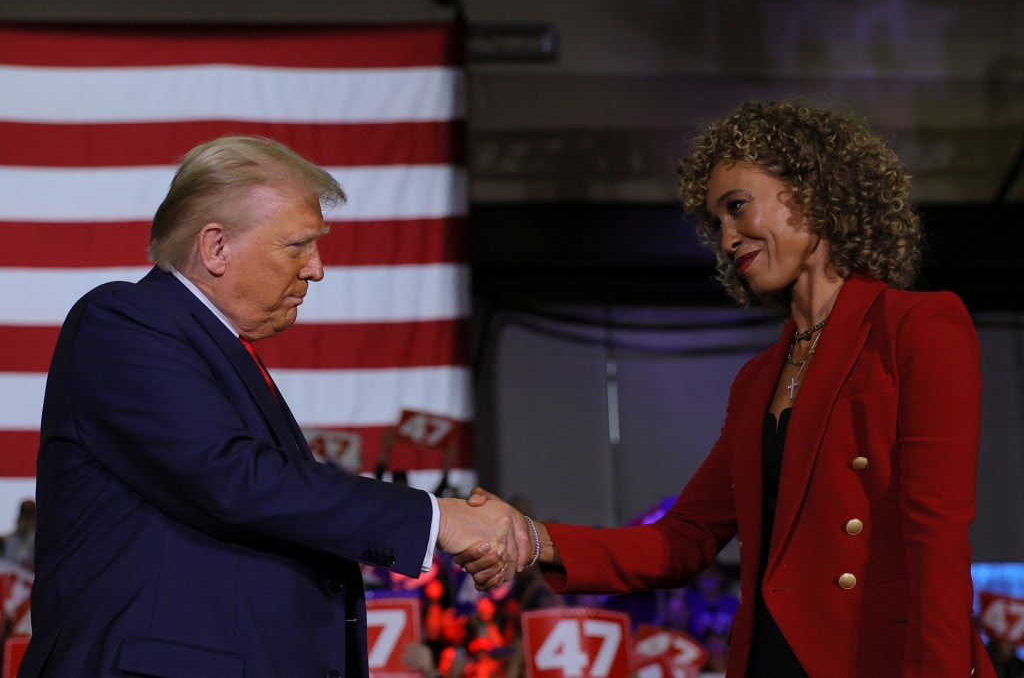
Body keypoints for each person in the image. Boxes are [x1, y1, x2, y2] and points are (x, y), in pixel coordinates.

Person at [461, 101, 996, 677]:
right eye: (716, 223)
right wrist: (532, 537)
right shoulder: (757, 379)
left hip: (876, 660)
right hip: (766, 659)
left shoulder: (918, 326)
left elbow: (937, 539)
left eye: (737, 208)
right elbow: (683, 539)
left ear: (812, 191)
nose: (727, 238)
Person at [20, 136, 520, 678]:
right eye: (298, 244)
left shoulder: (217, 349)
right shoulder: (124, 321)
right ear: (216, 248)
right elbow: (233, 479)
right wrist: (432, 518)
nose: (317, 268)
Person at [0, 500, 35, 571]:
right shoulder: (5, 541)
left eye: (29, 518)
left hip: (29, 579)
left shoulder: (40, 543)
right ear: (19, 519)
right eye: (24, 517)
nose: (26, 522)